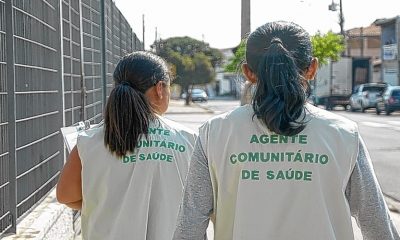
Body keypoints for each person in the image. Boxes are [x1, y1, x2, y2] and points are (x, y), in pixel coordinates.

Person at [173, 21, 400, 240]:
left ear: (248, 72)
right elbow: (377, 225)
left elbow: (189, 228)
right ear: (312, 68)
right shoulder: (343, 134)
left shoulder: (215, 132)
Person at [56, 51, 197, 240]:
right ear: (160, 88)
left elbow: (66, 195)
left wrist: (111, 204)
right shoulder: (189, 139)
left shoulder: (89, 140)